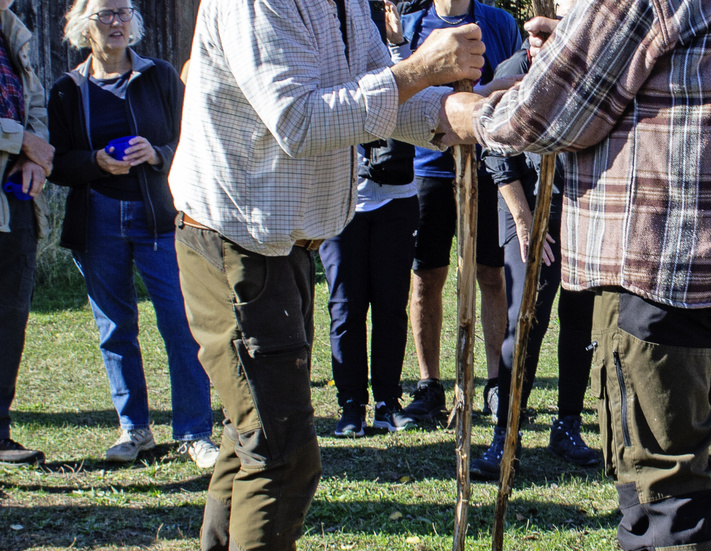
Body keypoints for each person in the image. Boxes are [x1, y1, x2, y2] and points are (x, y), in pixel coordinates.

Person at [442, 0, 711, 547]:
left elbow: (552, 116)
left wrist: (472, 115)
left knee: (664, 487)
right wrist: (574, 41)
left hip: (660, 264)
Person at [168, 0, 485, 547]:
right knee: (282, 455)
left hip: (278, 245)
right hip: (235, 242)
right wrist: (417, 70)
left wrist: (459, 112)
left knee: (253, 438)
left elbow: (379, 95)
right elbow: (301, 121)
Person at [47, 0, 219, 468]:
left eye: (123, 13)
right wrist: (95, 161)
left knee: (181, 323)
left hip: (158, 218)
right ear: (85, 26)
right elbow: (56, 163)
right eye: (106, 14)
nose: (117, 22)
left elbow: (193, 136)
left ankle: (195, 432)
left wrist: (158, 152)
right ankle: (134, 430)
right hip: (98, 217)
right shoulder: (68, 90)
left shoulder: (160, 76)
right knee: (115, 328)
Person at [471, 8, 599, 481]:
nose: (540, 31)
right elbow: (496, 150)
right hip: (522, 202)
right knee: (526, 315)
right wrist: (527, 221)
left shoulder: (593, 64)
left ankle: (567, 425)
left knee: (579, 316)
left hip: (581, 206)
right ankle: (504, 434)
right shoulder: (512, 73)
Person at [400, 0, 521, 421]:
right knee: (426, 276)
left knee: (491, 274)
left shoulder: (499, 23)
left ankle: (494, 385)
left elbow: (516, 82)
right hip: (428, 168)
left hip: (486, 167)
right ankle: (429, 385)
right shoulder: (411, 24)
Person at [320, 0, 419, 438]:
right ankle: (349, 406)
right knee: (346, 306)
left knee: (391, 306)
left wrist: (396, 40)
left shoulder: (377, 30)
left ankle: (386, 401)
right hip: (344, 201)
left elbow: (410, 87)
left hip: (396, 196)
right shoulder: (325, 39)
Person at [0, 0, 53, 466]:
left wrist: (34, 155)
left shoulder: (13, 31)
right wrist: (20, 141)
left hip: (14, 202)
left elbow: (33, 102)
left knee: (9, 316)